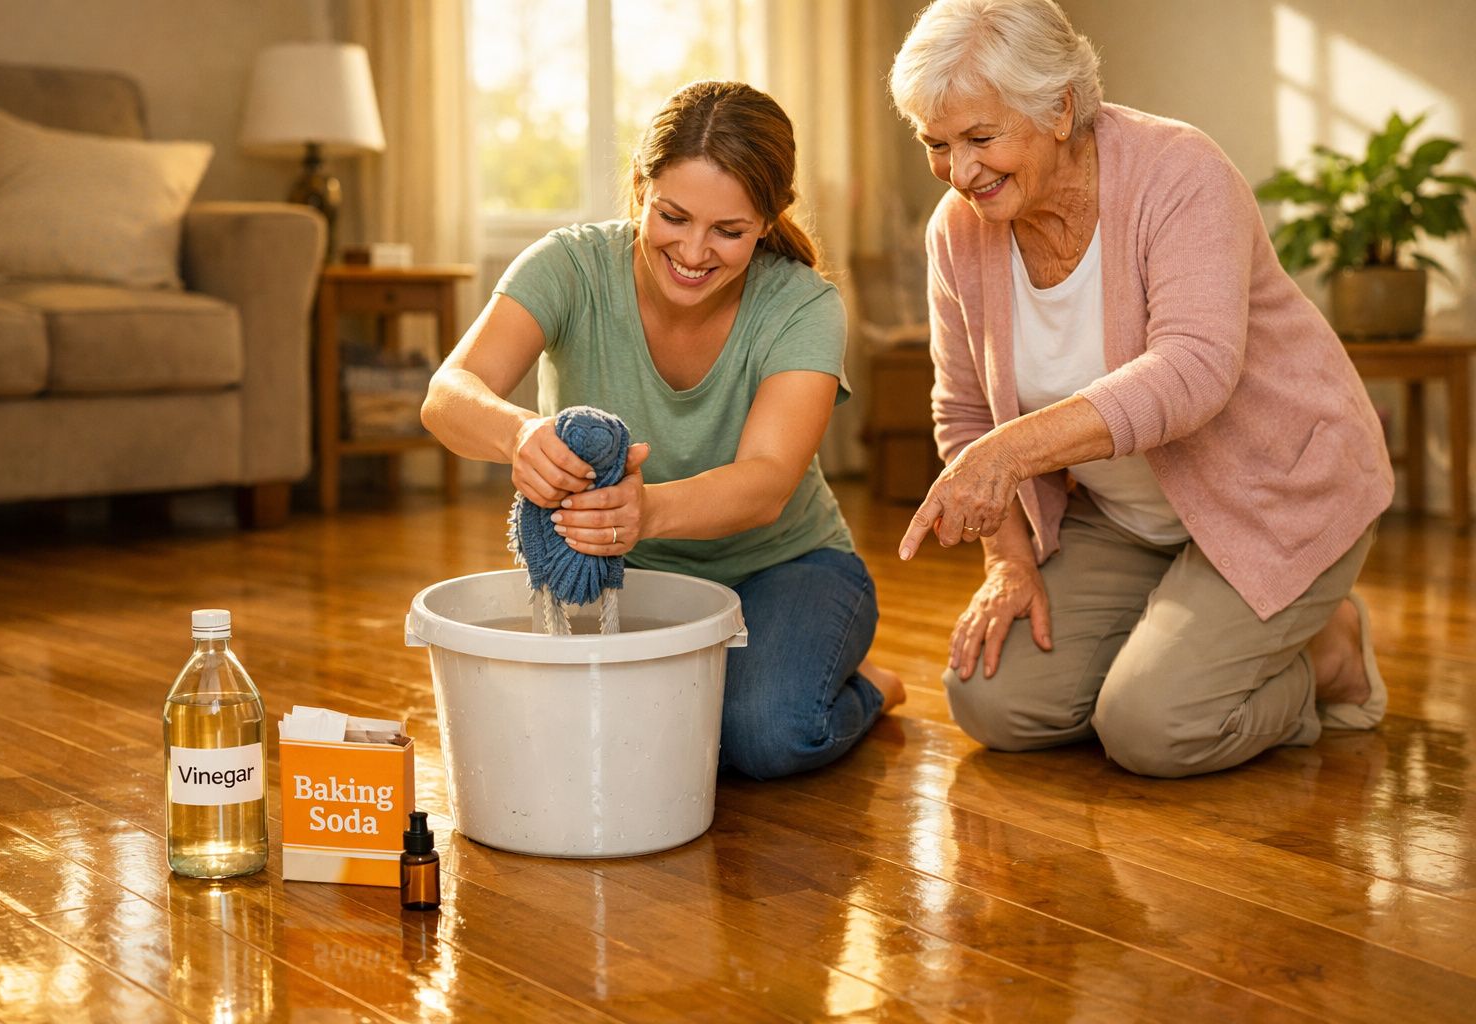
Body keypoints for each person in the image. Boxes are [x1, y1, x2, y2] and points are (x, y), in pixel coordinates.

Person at [887, 0, 1393, 778]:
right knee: (994, 702)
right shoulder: (957, 231)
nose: (960, 173)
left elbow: (1195, 368)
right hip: (1126, 520)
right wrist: (1008, 559)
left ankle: (1325, 660)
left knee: (1152, 729)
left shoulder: (1179, 172)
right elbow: (964, 412)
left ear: (1059, 109)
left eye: (981, 139)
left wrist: (1013, 451)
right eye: (936, 144)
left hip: (1275, 496)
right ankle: (1177, 639)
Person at [421, 80, 904, 780]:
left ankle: (866, 686)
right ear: (640, 188)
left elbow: (767, 482)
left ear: (768, 221)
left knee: (763, 736)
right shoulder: (570, 266)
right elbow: (447, 394)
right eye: (673, 216)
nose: (694, 252)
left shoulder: (803, 305)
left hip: (784, 567)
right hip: (619, 570)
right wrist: (518, 434)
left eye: (729, 231)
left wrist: (645, 512)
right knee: (586, 737)